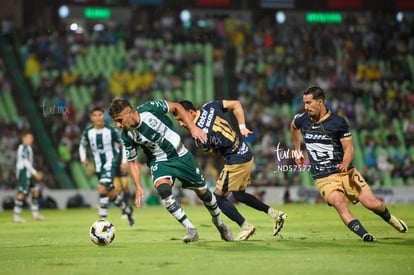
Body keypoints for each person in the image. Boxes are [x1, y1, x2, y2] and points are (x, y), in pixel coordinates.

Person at [290, 86, 408, 242]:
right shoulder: (302, 119)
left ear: (320, 102)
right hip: (323, 176)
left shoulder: (338, 122)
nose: (306, 107)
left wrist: (345, 164)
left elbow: (349, 149)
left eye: (309, 103)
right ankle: (366, 236)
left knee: (372, 204)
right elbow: (293, 127)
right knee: (339, 203)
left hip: (347, 172)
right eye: (304, 103)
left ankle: (390, 218)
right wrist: (297, 151)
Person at [108, 98, 233, 243]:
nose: (118, 125)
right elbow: (133, 162)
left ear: (129, 112)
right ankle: (190, 229)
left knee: (204, 193)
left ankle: (219, 223)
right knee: (164, 192)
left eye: (119, 120)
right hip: (160, 161)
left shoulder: (150, 108)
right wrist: (138, 186)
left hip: (181, 155)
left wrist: (193, 128)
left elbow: (177, 107)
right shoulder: (126, 135)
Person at [176, 100, 287, 241]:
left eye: (181, 119)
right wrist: (242, 127)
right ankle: (275, 214)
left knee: (218, 198)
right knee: (239, 195)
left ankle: (245, 226)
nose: (181, 123)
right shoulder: (209, 106)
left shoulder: (200, 135)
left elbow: (213, 152)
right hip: (245, 150)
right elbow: (236, 104)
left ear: (190, 113)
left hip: (236, 160)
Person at [79, 107, 135, 226]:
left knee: (101, 188)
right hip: (98, 166)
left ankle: (102, 221)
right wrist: (83, 157)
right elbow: (82, 145)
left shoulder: (111, 130)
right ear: (91, 118)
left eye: (100, 114)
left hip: (112, 162)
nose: (98, 117)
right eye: (95, 115)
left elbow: (123, 144)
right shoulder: (88, 132)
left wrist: (124, 161)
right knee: (111, 194)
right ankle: (127, 210)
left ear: (103, 116)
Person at [13, 131, 45, 223]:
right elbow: (25, 162)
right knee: (22, 193)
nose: (31, 140)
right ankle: (16, 215)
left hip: (28, 172)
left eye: (31, 138)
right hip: (24, 172)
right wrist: (35, 173)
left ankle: (35, 215)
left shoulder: (28, 148)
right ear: (23, 138)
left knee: (35, 192)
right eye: (28, 138)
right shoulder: (23, 148)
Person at [113, 147, 132, 219]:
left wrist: (124, 163)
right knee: (116, 192)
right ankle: (125, 209)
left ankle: (125, 211)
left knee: (126, 190)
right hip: (114, 170)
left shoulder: (121, 142)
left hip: (123, 170)